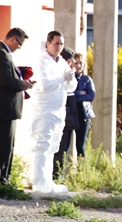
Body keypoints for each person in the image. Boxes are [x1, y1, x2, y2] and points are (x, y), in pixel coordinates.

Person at [0, 27, 34, 185]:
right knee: (3, 146)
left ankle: (3, 178)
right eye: (20, 43)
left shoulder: (2, 52)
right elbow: (4, 80)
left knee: (6, 144)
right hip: (3, 108)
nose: (20, 47)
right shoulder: (1, 53)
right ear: (13, 39)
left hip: (4, 108)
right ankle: (0, 179)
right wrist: (23, 84)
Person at [31, 31, 77, 193]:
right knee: (43, 145)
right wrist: (62, 79)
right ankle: (39, 182)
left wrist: (70, 78)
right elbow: (44, 85)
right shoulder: (42, 61)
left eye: (61, 44)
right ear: (48, 44)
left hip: (59, 110)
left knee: (53, 146)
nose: (59, 47)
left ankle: (47, 181)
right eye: (56, 43)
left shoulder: (62, 63)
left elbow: (72, 88)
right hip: (45, 109)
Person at [53, 50, 95, 180]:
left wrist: (76, 95)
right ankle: (58, 174)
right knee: (64, 145)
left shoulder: (87, 79)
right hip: (69, 114)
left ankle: (82, 175)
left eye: (80, 63)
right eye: (75, 63)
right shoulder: (68, 77)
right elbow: (67, 94)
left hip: (83, 115)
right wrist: (79, 94)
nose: (78, 65)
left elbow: (91, 95)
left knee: (80, 146)